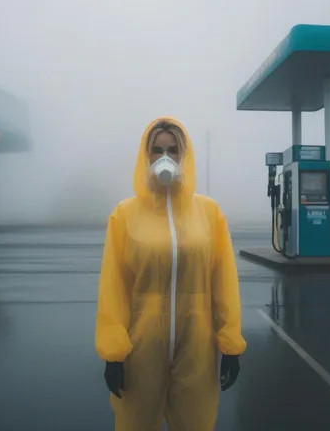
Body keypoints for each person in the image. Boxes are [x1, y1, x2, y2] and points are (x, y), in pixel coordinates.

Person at [95, 117, 247, 431]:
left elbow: (224, 282)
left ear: (184, 156)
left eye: (174, 150)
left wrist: (229, 343)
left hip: (197, 348)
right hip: (141, 347)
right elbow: (114, 286)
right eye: (157, 150)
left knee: (196, 424)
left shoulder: (208, 213)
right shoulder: (125, 214)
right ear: (145, 156)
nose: (166, 157)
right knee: (135, 423)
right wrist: (113, 351)